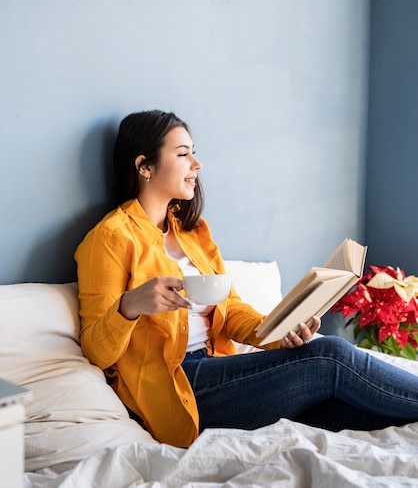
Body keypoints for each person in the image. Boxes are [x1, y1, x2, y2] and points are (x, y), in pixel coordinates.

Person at [75, 109, 418, 448]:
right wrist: (130, 305)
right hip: (177, 387)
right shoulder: (110, 238)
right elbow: (95, 351)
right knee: (330, 354)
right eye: (183, 154)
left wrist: (280, 334)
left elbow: (232, 310)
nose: (197, 164)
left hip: (217, 370)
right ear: (144, 166)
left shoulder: (193, 234)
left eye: (195, 152)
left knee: (344, 405)